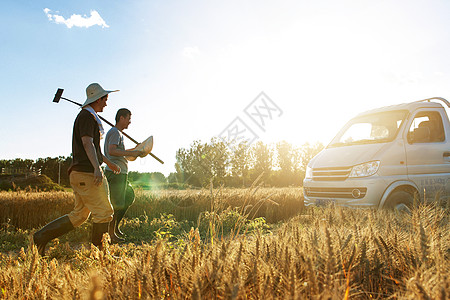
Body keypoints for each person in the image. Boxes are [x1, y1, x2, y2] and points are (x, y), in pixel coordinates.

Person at [33, 83, 120, 255]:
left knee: (79, 215)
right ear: (98, 99)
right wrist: (97, 168)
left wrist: (107, 163)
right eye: (105, 100)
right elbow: (87, 143)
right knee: (104, 211)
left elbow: (92, 147)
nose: (106, 104)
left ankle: (40, 237)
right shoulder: (87, 117)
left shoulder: (89, 116)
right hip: (86, 173)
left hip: (79, 173)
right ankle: (101, 256)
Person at [104, 108, 143, 241]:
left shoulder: (118, 133)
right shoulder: (115, 132)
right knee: (115, 203)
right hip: (115, 173)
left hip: (121, 173)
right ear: (121, 118)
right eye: (128, 119)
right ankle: (110, 234)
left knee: (128, 196)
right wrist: (131, 153)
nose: (130, 122)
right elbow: (112, 151)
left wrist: (136, 149)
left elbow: (121, 152)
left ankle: (114, 227)